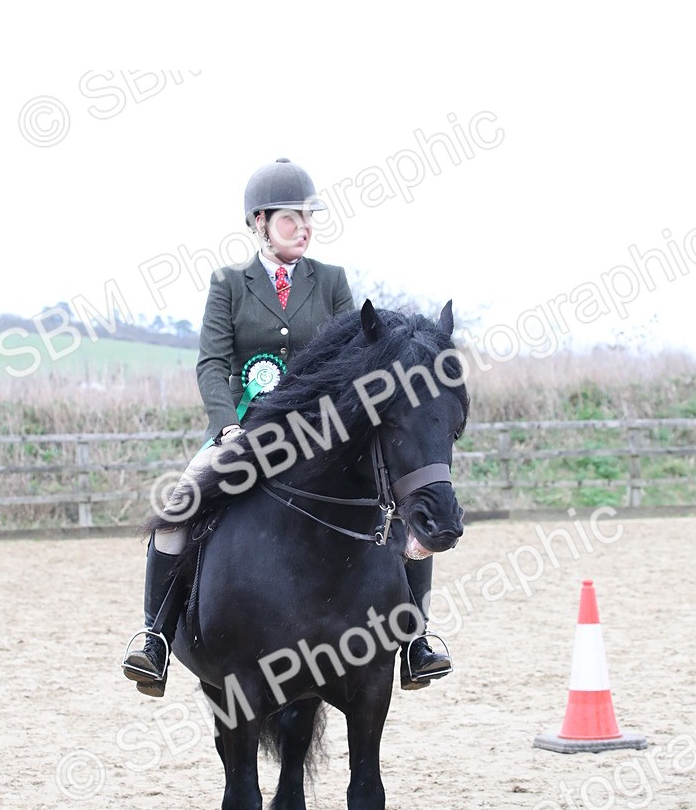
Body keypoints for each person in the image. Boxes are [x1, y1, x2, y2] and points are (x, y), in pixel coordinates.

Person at [121, 157, 451, 696]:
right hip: (244, 430)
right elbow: (211, 364)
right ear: (259, 222)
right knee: (179, 505)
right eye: (291, 218)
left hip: (321, 434)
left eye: (309, 217)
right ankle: (154, 635)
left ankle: (417, 639)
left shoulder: (332, 281)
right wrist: (226, 425)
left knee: (398, 509)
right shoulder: (229, 283)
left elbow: (359, 352)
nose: (304, 227)